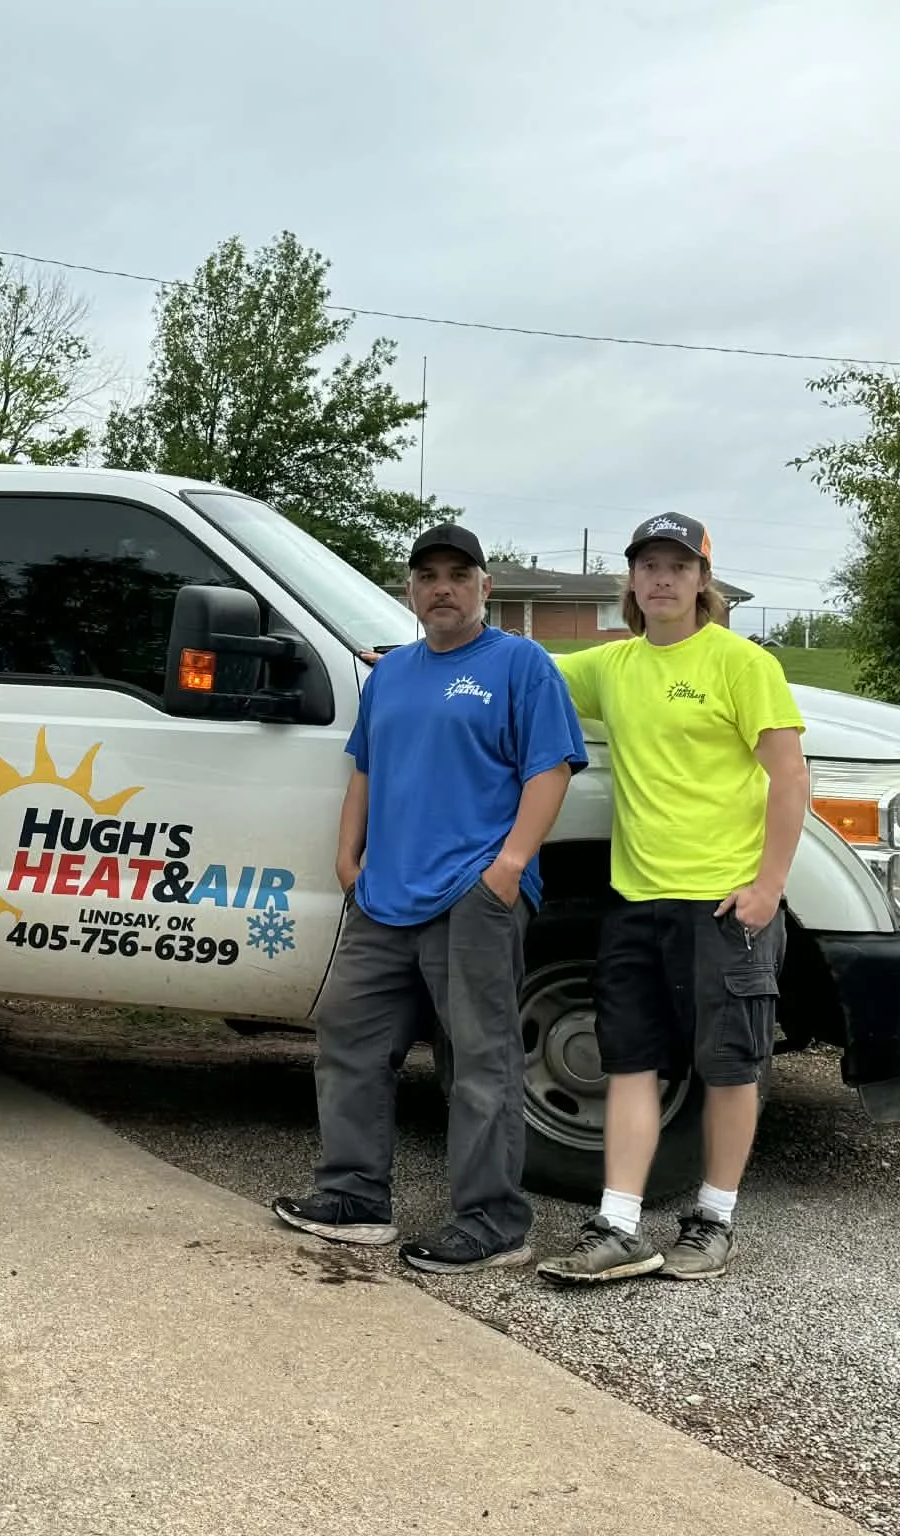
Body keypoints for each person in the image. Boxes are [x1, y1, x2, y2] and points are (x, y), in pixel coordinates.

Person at [272, 523, 587, 1273]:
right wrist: (348, 858)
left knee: (479, 1062)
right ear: (410, 591)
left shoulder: (521, 665)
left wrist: (509, 866)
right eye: (427, 576)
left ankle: (492, 1221)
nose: (442, 587)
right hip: (382, 897)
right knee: (348, 1043)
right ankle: (353, 1198)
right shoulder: (393, 675)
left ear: (485, 587)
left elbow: (552, 769)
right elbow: (366, 771)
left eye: (457, 574)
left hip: (473, 895)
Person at [537, 512, 807, 1284]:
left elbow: (789, 777)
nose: (661, 578)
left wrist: (767, 889)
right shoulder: (614, 666)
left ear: (701, 582)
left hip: (724, 906)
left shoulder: (739, 664)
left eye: (677, 566)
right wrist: (402, 658)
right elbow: (526, 668)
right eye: (648, 565)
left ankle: (714, 1219)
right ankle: (618, 1225)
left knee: (729, 1068)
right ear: (630, 580)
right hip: (636, 901)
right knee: (629, 1063)